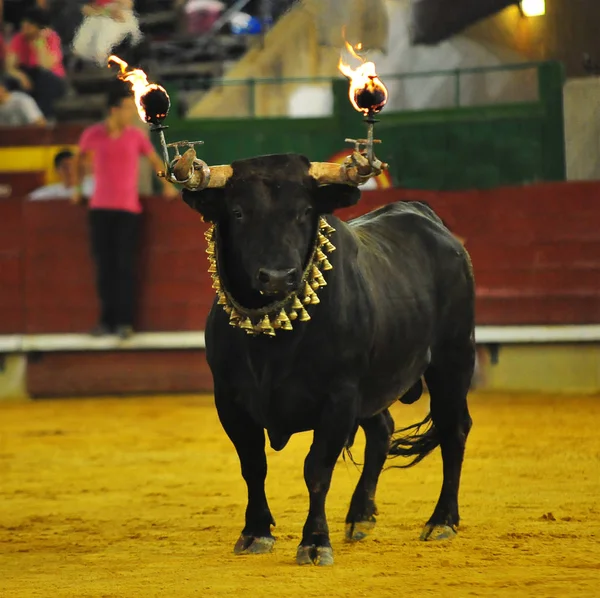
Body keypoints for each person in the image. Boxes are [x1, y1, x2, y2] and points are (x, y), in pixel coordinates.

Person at [72, 80, 179, 339]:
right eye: (127, 109)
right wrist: (77, 189)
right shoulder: (92, 135)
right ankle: (107, 321)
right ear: (114, 110)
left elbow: (155, 161)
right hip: (100, 209)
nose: (132, 114)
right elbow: (78, 161)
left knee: (124, 266)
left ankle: (123, 322)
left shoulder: (135, 136)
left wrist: (166, 185)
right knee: (105, 267)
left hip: (128, 210)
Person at [5, 7, 66, 120]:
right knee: (10, 81)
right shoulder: (18, 38)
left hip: (51, 79)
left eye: (29, 25)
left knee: (43, 77)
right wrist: (21, 76)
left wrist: (39, 42)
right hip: (29, 77)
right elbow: (9, 67)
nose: (25, 27)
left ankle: (45, 119)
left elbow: (46, 65)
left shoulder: (51, 37)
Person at [72, 0, 142, 65]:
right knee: (79, 48)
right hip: (98, 16)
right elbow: (86, 9)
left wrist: (109, 10)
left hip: (118, 19)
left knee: (100, 47)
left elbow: (127, 5)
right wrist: (105, 12)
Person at [29, 149, 95, 200]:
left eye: (72, 166)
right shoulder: (53, 192)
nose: (70, 170)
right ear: (57, 170)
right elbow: (31, 199)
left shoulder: (92, 184)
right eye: (65, 167)